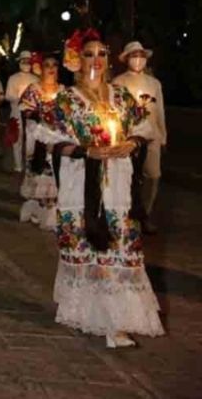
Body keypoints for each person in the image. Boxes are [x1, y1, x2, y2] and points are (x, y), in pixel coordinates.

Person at [36, 34, 163, 348]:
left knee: (120, 249)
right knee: (87, 247)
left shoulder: (121, 95)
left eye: (101, 54)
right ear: (78, 60)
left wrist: (131, 143)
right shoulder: (67, 99)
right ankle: (87, 313)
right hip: (82, 183)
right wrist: (84, 152)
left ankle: (115, 321)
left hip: (119, 182)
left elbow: (144, 127)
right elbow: (48, 137)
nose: (96, 60)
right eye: (89, 54)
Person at [112, 41, 166, 233]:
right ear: (127, 58)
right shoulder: (119, 82)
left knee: (153, 175)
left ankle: (146, 214)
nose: (138, 59)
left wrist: (162, 135)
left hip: (152, 136)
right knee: (129, 177)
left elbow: (159, 111)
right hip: (129, 138)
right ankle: (128, 216)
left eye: (141, 55)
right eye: (134, 55)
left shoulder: (154, 83)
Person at [18, 53, 63, 230]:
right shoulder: (33, 89)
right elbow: (25, 109)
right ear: (41, 69)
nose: (51, 69)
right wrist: (40, 114)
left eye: (54, 65)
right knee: (37, 170)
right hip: (36, 136)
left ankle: (51, 207)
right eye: (47, 65)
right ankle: (35, 205)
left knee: (53, 170)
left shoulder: (63, 91)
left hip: (57, 138)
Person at [5, 51, 40, 172]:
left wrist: (29, 102)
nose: (26, 63)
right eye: (23, 61)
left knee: (31, 140)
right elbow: (8, 95)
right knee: (17, 139)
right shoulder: (13, 78)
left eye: (28, 61)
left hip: (31, 114)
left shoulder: (35, 79)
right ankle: (18, 165)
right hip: (16, 113)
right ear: (19, 62)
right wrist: (20, 99)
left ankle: (29, 165)